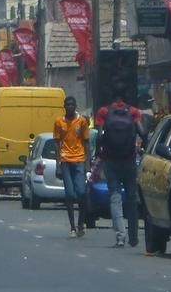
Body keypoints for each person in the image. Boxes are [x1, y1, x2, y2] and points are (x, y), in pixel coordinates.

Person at [96, 89, 142, 248]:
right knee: (131, 197)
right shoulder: (133, 112)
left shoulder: (104, 112)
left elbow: (100, 135)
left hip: (111, 161)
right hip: (129, 160)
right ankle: (133, 236)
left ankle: (120, 237)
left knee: (115, 198)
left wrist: (99, 153)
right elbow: (142, 132)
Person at [54, 96, 91, 238]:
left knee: (81, 193)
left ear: (75, 106)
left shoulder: (82, 121)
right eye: (67, 104)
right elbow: (57, 143)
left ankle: (81, 222)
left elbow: (87, 142)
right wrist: (58, 164)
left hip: (79, 160)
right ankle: (72, 226)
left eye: (72, 104)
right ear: (64, 106)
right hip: (65, 161)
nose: (69, 106)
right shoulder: (59, 122)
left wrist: (88, 165)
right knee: (69, 194)